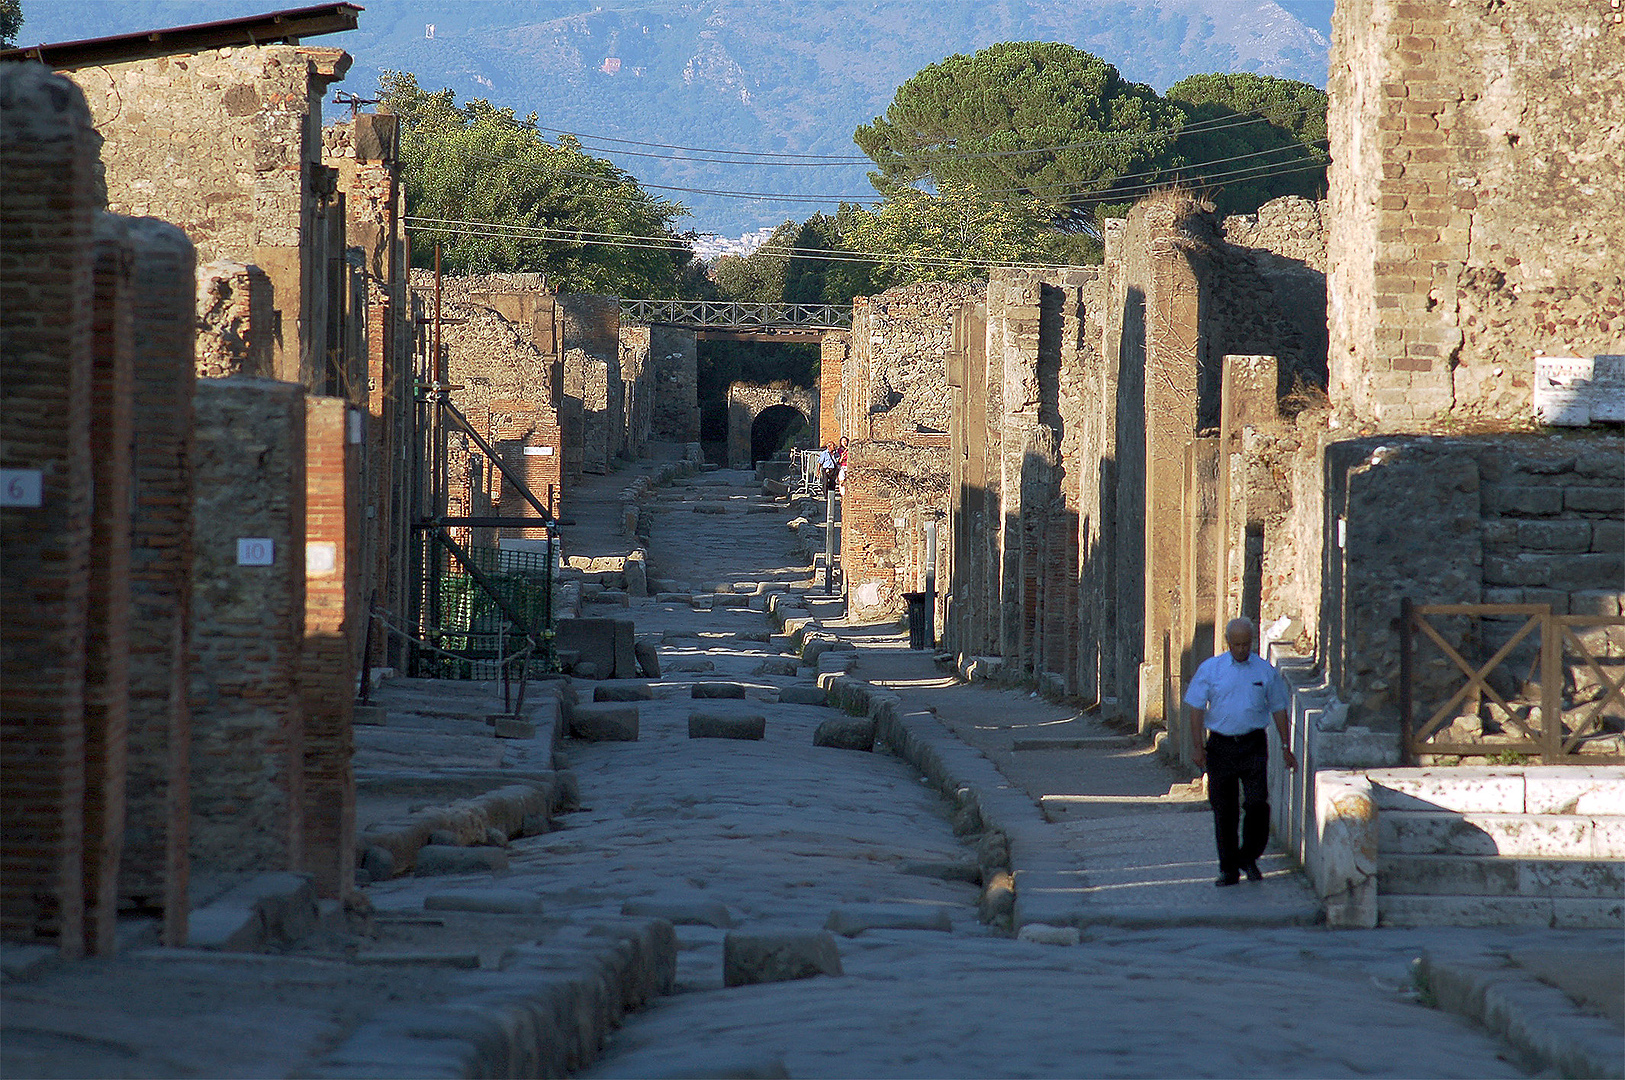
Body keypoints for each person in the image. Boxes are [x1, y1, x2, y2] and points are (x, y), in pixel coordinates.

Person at [1184, 617, 1297, 887]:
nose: (1241, 649)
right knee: (1225, 810)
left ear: (1252, 642)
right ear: (1228, 643)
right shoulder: (1211, 669)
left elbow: (1279, 708)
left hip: (1253, 743)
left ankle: (1248, 856)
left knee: (1257, 804)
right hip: (1220, 746)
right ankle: (1228, 869)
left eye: (1246, 644)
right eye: (1236, 644)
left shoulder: (1264, 671)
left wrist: (1285, 746)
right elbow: (1196, 708)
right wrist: (1198, 747)